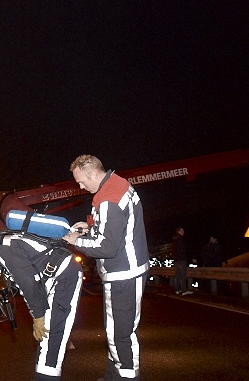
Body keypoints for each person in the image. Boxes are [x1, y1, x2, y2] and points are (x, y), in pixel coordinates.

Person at [62, 155, 149, 381]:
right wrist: (89, 226)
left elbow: (107, 246)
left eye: (81, 181)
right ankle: (112, 375)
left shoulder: (109, 198)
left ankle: (126, 378)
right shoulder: (117, 185)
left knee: (120, 334)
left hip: (122, 274)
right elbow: (113, 225)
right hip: (130, 269)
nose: (80, 187)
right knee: (119, 330)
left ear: (93, 174)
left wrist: (76, 241)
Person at [0, 230, 82, 381]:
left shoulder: (3, 249)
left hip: (64, 277)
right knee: (48, 342)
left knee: (52, 338)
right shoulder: (0, 243)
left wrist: (38, 317)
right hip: (55, 278)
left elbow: (27, 284)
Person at [172, 226, 192, 296]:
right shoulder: (181, 239)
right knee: (183, 275)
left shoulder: (174, 239)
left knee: (178, 275)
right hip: (182, 259)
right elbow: (183, 250)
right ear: (178, 231)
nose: (183, 232)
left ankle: (177, 289)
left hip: (176, 260)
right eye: (182, 230)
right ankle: (184, 290)